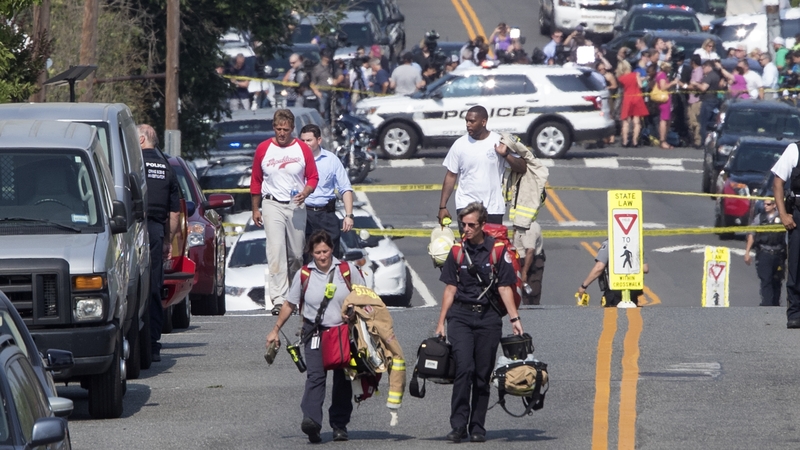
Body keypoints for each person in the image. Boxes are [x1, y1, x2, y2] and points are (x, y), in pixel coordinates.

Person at [434, 202, 524, 443]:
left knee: (482, 374)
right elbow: (450, 289)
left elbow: (505, 288)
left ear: (483, 225)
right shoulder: (457, 251)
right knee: (464, 369)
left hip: (488, 318)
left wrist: (514, 319)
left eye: (471, 225)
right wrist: (441, 322)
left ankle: (477, 427)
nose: (466, 229)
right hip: (460, 317)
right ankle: (458, 425)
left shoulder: (496, 251)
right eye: (463, 224)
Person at [266, 230, 366, 443]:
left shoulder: (347, 271)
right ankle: (312, 422)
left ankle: (340, 425)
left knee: (343, 378)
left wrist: (358, 316)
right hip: (314, 333)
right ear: (311, 253)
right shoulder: (304, 274)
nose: (322, 256)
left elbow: (366, 299)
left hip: (342, 332)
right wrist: (275, 329)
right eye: (318, 252)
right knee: (315, 377)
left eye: (326, 251)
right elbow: (289, 304)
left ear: (332, 250)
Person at [250, 109, 320, 316]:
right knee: (276, 250)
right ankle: (279, 299)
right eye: (279, 129)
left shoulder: (301, 149)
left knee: (297, 254)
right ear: (274, 127)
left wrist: (306, 192)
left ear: (292, 130)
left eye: (286, 130)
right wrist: (256, 208)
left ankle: (295, 295)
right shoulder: (264, 149)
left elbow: (313, 177)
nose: (282, 133)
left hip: (295, 204)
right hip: (272, 204)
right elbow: (256, 180)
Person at [437, 106, 527, 231]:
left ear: (483, 122)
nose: (468, 125)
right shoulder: (459, 144)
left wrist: (505, 155)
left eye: (472, 121)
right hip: (466, 206)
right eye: (467, 121)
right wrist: (443, 207)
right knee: (469, 249)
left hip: (493, 208)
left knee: (492, 249)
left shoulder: (498, 141)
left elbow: (522, 167)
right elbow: (451, 176)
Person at [138, 124, 180, 362]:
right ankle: (153, 344)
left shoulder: (130, 163)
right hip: (155, 230)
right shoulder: (167, 167)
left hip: (131, 228)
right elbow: (174, 214)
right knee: (154, 286)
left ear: (142, 139)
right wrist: (167, 241)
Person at [299, 124, 354, 259]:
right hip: (304, 214)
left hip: (326, 215)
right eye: (303, 141)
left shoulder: (331, 160)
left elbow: (345, 188)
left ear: (318, 140)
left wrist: (349, 215)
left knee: (331, 257)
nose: (305, 144)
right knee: (308, 257)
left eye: (309, 140)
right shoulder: (296, 160)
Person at [771, 142, 800, 327]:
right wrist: (783, 214)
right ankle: (795, 313)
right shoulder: (794, 150)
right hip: (798, 213)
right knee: (796, 264)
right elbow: (778, 183)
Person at [576, 240, 648, 307]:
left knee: (613, 317)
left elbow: (599, 267)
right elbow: (645, 268)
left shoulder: (610, 243)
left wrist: (583, 286)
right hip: (632, 290)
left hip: (614, 291)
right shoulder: (635, 243)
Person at [744, 199, 786, 307]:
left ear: (774, 205)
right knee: (765, 280)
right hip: (764, 253)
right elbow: (751, 234)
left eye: (768, 204)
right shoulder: (760, 218)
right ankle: (767, 305)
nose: (765, 206)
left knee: (777, 281)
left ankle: (775, 304)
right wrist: (747, 252)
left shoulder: (782, 218)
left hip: (778, 254)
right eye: (764, 204)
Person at [616, 61, 649, 147]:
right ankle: (635, 141)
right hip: (637, 97)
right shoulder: (635, 74)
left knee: (626, 121)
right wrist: (641, 78)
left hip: (627, 98)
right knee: (636, 121)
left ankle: (625, 141)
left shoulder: (621, 78)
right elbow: (640, 85)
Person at [691, 60, 722, 143]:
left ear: (709, 67)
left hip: (708, 101)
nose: (703, 69)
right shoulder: (716, 75)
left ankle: (704, 142)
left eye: (704, 68)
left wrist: (696, 84)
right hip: (714, 100)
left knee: (704, 122)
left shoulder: (709, 76)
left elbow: (703, 88)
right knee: (711, 122)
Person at [517, 222, 545, 305]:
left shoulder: (529, 228)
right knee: (524, 295)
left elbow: (530, 250)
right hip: (523, 261)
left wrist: (524, 272)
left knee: (531, 298)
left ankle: (532, 316)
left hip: (529, 263)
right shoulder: (520, 225)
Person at [311, 49, 344, 120]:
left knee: (337, 110)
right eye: (326, 57)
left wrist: (337, 81)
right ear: (322, 57)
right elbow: (312, 83)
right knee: (324, 111)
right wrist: (317, 92)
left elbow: (341, 76)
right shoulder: (316, 68)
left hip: (334, 92)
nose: (328, 58)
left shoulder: (334, 66)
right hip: (322, 92)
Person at [655, 61, 677, 149]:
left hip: (665, 99)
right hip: (664, 100)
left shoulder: (659, 74)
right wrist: (672, 83)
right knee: (664, 120)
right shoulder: (662, 75)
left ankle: (664, 139)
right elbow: (663, 87)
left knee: (666, 119)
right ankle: (662, 140)